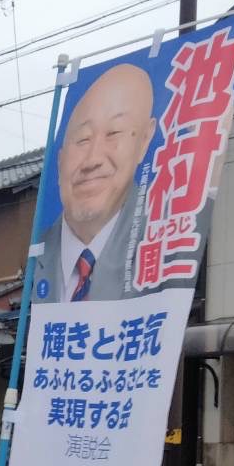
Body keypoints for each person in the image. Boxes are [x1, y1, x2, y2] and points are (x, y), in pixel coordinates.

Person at [36, 63, 157, 305]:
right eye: (82, 139)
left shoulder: (163, 243)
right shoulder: (38, 254)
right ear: (59, 160)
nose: (92, 160)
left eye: (114, 133)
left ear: (145, 139)